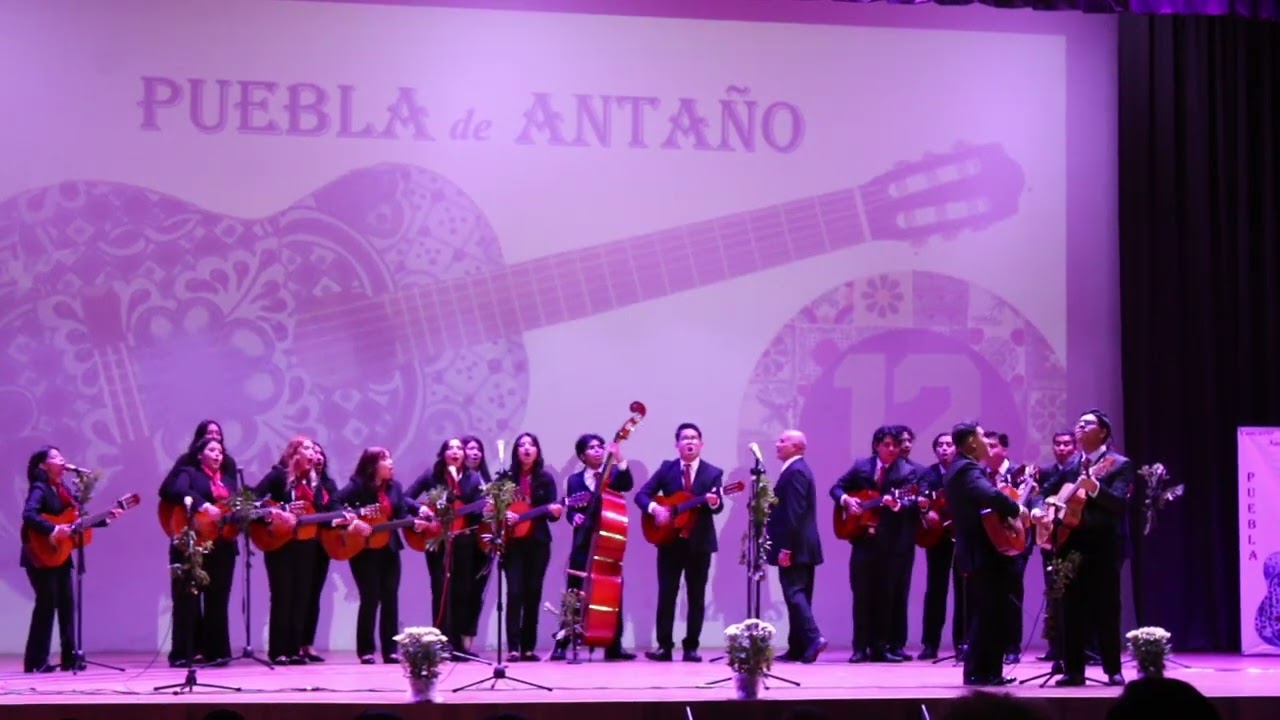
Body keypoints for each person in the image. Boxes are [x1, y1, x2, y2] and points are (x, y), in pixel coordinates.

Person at [1031, 409, 1133, 687]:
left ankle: (1113, 669)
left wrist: (1096, 488)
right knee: (1069, 608)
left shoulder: (1118, 464)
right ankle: (1073, 671)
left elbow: (1119, 504)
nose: (1079, 427)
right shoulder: (1071, 464)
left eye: (1087, 424)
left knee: (1106, 608)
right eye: (1078, 423)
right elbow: (1043, 490)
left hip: (1102, 546)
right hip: (1069, 544)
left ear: (1103, 432)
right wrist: (1040, 509)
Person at [20, 446, 122, 673]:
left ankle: (70, 657)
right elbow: (29, 515)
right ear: (43, 465)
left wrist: (105, 519)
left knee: (67, 605)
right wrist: (53, 529)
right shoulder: (40, 487)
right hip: (40, 553)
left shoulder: (62, 489)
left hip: (60, 555)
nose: (62, 459)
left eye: (61, 455)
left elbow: (75, 523)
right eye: (55, 457)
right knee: (46, 605)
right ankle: (36, 660)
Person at [254, 436, 353, 664]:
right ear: (294, 454)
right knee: (283, 596)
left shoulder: (312, 483)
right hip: (280, 544)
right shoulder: (277, 476)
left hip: (306, 545)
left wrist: (340, 519)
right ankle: (278, 651)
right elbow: (252, 503)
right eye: (307, 449)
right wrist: (281, 510)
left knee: (301, 597)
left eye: (313, 449)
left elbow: (321, 513)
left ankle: (293, 650)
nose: (313, 454)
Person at [944, 421, 1025, 686]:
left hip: (981, 549)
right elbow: (989, 495)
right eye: (982, 438)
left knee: (990, 612)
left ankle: (988, 671)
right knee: (988, 612)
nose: (987, 444)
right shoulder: (966, 468)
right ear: (970, 442)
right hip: (982, 551)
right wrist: (1016, 509)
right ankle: (981, 672)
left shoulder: (963, 467)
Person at [635, 422, 724, 662]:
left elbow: (717, 508)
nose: (690, 442)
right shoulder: (667, 469)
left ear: (701, 444)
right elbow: (641, 496)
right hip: (669, 543)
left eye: (694, 438)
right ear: (677, 445)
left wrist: (714, 501)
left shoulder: (713, 472)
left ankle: (691, 647)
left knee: (696, 597)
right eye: (685, 438)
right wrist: (656, 509)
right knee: (667, 594)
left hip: (699, 544)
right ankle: (664, 646)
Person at [829, 425, 917, 663]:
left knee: (885, 597)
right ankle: (860, 647)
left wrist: (896, 504)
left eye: (895, 445)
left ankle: (880, 647)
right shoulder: (861, 466)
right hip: (862, 542)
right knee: (861, 595)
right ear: (876, 445)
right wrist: (847, 500)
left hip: (890, 545)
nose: (891, 449)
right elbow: (836, 488)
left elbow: (911, 502)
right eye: (886, 445)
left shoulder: (906, 471)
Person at [337, 447, 433, 663]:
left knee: (390, 598)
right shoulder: (357, 486)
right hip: (364, 550)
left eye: (390, 458)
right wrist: (353, 520)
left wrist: (414, 522)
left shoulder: (395, 488)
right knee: (370, 598)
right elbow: (334, 503)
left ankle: (390, 650)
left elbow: (401, 513)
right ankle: (366, 650)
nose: (391, 463)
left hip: (390, 549)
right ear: (372, 465)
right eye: (385, 459)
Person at [551, 433, 636, 661]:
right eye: (592, 448)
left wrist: (619, 457)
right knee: (574, 592)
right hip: (583, 543)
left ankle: (613, 644)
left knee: (611, 590)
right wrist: (573, 518)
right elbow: (569, 509)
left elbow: (627, 484)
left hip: (608, 541)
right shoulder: (574, 480)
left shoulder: (613, 474)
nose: (598, 450)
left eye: (600, 447)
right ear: (582, 455)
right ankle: (562, 642)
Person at [161, 436, 240, 667]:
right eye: (212, 450)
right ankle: (183, 652)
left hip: (223, 545)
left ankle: (216, 652)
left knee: (218, 600)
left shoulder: (228, 480)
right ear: (199, 454)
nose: (218, 454)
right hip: (193, 543)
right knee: (188, 599)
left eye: (220, 451)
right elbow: (177, 490)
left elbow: (233, 508)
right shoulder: (189, 472)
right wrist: (203, 505)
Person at [406, 438, 484, 653]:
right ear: (443, 454)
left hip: (463, 540)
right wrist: (420, 510)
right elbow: (405, 498)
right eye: (451, 448)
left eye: (460, 448)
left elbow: (477, 511)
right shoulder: (431, 475)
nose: (456, 451)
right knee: (440, 589)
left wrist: (487, 508)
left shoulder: (473, 478)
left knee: (462, 590)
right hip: (436, 539)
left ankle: (458, 645)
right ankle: (441, 642)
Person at [765, 429, 825, 663]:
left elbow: (794, 511)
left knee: (794, 593)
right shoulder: (795, 469)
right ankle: (798, 647)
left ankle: (813, 637)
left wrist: (786, 547)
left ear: (797, 447)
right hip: (803, 546)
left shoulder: (796, 471)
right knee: (800, 595)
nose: (777, 444)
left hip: (796, 546)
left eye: (783, 441)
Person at [501, 432, 562, 661]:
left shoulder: (546, 478)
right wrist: (502, 513)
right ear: (516, 451)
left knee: (532, 593)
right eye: (522, 445)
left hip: (538, 542)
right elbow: (495, 510)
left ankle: (528, 647)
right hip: (512, 542)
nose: (526, 448)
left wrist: (555, 511)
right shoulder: (506, 479)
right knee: (515, 592)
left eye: (531, 445)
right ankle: (513, 648)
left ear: (537, 451)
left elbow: (553, 513)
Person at [918, 432, 960, 660]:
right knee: (936, 590)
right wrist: (924, 506)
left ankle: (961, 643)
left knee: (962, 592)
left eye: (949, 445)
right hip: (937, 538)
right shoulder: (928, 473)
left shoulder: (964, 471)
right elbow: (923, 501)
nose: (945, 449)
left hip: (962, 537)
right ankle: (930, 644)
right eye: (940, 446)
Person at [298, 441, 340, 663]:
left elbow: (334, 506)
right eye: (313, 453)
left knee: (314, 595)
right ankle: (294, 643)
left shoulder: (328, 484)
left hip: (321, 546)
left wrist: (341, 516)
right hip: (301, 544)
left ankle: (308, 644)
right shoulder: (301, 482)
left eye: (320, 453)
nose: (318, 456)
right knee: (301, 594)